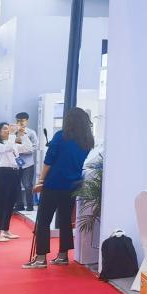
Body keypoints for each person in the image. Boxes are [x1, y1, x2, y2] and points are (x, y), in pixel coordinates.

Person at [22, 107, 94, 268]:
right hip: (72, 185)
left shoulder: (61, 136)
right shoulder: (87, 141)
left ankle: (40, 258)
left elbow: (49, 160)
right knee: (65, 220)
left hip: (53, 184)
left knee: (43, 220)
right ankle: (63, 256)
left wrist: (40, 180)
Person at [0, 122, 20, 242]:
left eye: (8, 129)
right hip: (3, 173)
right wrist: (12, 135)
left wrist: (22, 134)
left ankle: (5, 230)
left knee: (11, 202)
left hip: (14, 173)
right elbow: (8, 148)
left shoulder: (10, 143)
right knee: (0, 203)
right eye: (5, 129)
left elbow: (25, 149)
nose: (8, 130)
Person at [14, 112, 38, 211]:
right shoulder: (14, 132)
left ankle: (30, 205)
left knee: (27, 185)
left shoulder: (31, 133)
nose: (19, 123)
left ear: (27, 121)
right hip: (16, 163)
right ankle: (19, 205)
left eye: (22, 121)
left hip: (28, 164)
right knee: (16, 184)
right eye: (18, 121)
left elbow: (35, 147)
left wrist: (23, 150)